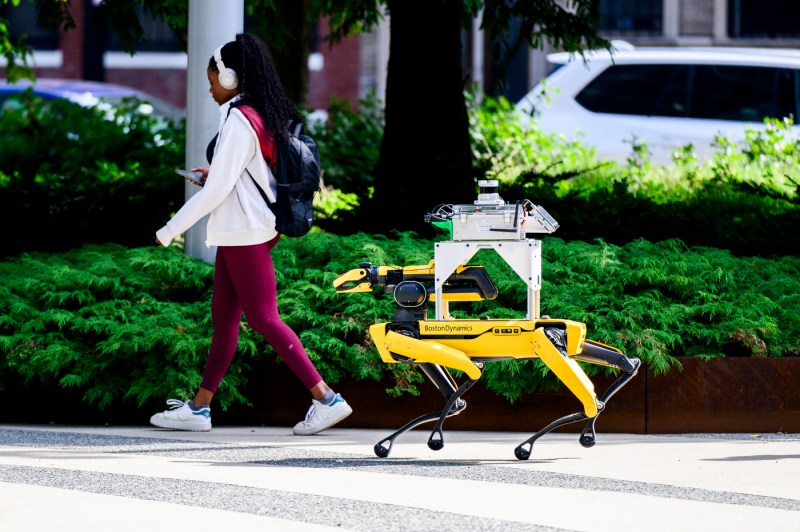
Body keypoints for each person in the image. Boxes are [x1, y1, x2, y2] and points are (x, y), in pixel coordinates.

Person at [150, 33, 352, 435]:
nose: (209, 88)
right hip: (239, 228)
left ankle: (327, 398)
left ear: (229, 76)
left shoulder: (241, 119)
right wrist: (216, 177)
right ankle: (200, 408)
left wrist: (171, 229)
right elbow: (240, 175)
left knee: (263, 318)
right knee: (225, 317)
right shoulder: (248, 113)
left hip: (245, 230)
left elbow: (220, 190)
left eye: (212, 79)